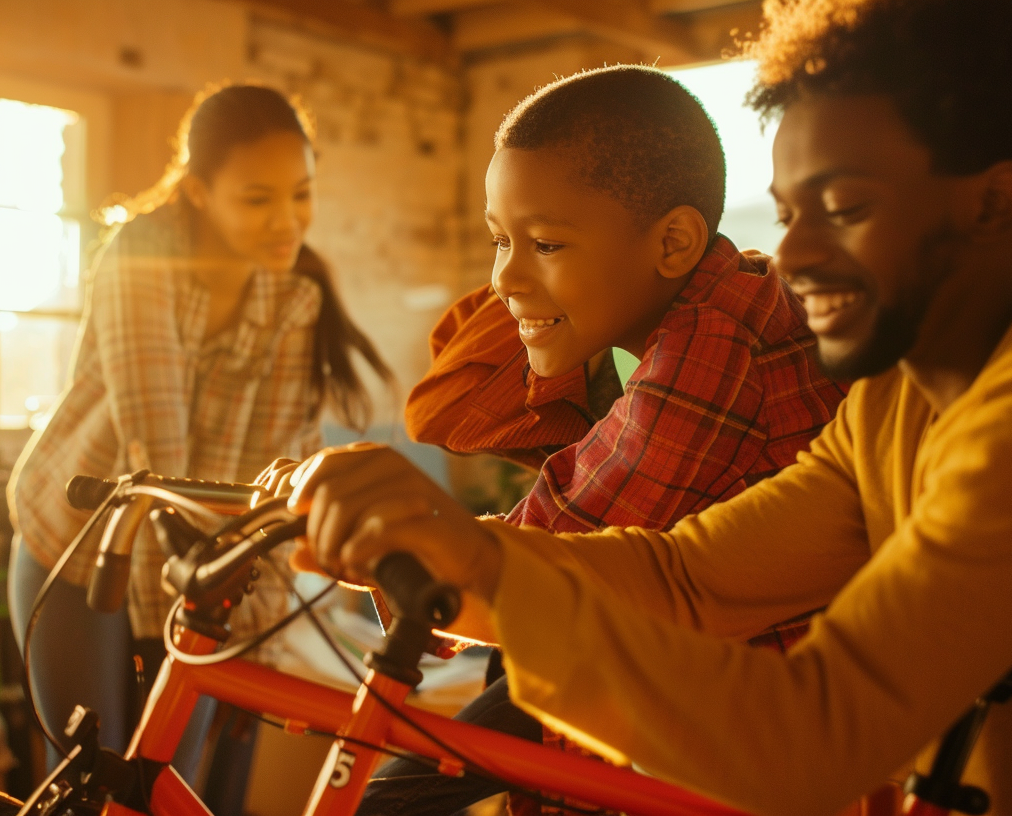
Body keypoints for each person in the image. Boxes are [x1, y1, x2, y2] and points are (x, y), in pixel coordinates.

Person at [286, 1, 1012, 814]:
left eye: (846, 208)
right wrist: (464, 551)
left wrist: (473, 557)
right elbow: (686, 580)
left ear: (993, 203)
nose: (796, 253)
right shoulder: (897, 401)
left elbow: (817, 734)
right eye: (787, 213)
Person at [361, 65, 845, 816]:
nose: (500, 279)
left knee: (390, 803)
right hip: (673, 677)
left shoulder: (717, 335)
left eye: (547, 242)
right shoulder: (685, 307)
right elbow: (446, 411)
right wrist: (544, 284)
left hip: (735, 735)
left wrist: (425, 570)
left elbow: (569, 533)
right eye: (497, 239)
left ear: (677, 241)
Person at [5, 84, 392, 784]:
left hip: (192, 567)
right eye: (257, 198)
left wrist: (248, 641)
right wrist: (186, 638)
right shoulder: (139, 259)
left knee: (168, 785)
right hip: (79, 543)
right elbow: (155, 457)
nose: (287, 221)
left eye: (301, 194)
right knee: (97, 784)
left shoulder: (293, 298)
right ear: (199, 191)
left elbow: (273, 483)